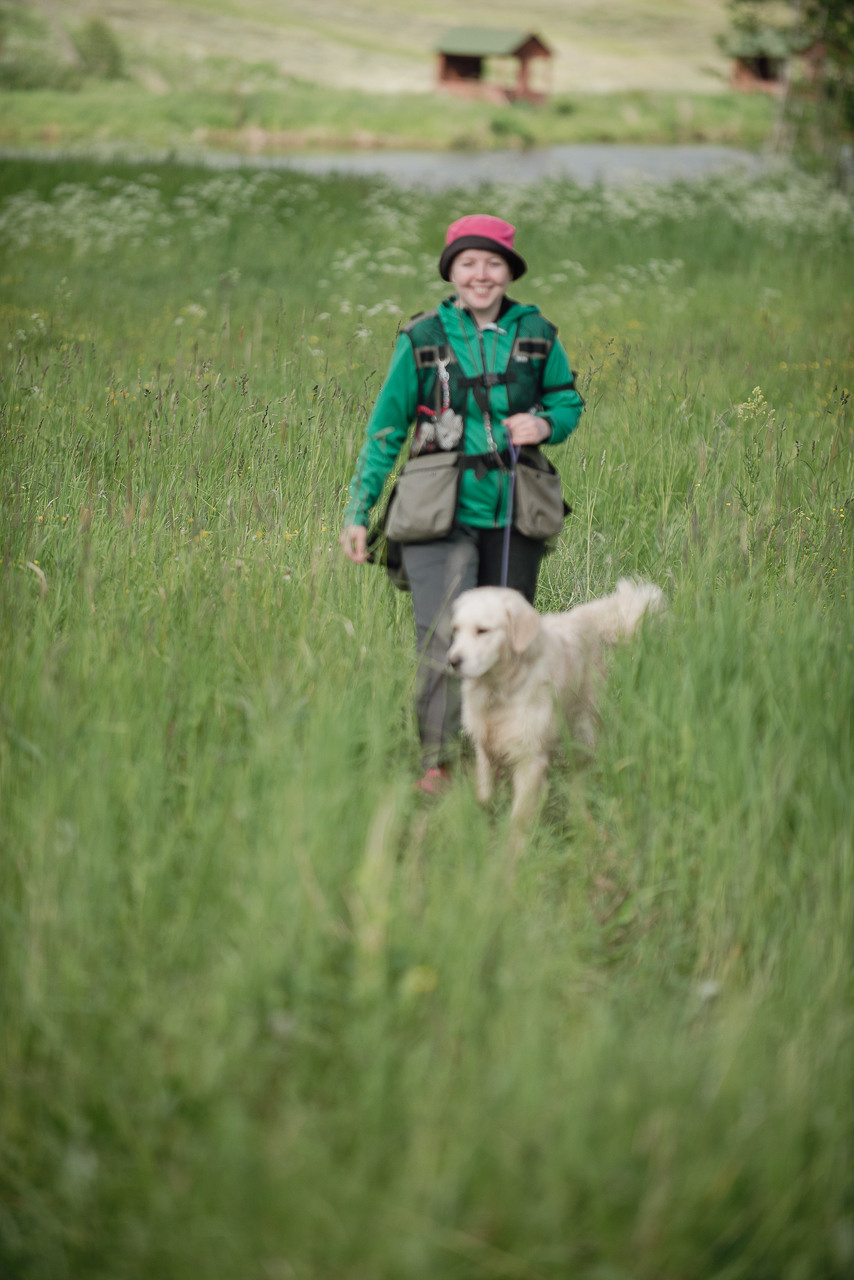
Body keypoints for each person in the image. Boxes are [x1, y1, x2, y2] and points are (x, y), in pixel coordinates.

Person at [339, 214, 584, 794]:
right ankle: (438, 761)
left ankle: (506, 751)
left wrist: (545, 423)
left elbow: (567, 400)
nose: (481, 275)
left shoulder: (536, 334)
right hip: (435, 516)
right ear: (452, 271)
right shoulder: (422, 338)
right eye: (469, 263)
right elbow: (385, 429)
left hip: (514, 512)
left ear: (508, 272)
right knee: (442, 637)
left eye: (493, 263)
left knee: (509, 637)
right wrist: (358, 508)